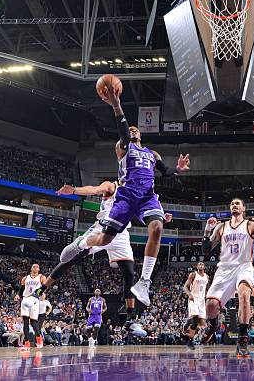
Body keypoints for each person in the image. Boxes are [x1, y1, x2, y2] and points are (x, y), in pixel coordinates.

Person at [57, 83, 190, 308]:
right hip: (126, 196)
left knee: (157, 228)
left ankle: (144, 282)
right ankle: (82, 243)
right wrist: (117, 105)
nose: (133, 130)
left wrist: (177, 168)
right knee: (105, 239)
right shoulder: (123, 148)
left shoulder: (152, 153)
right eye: (130, 129)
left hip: (147, 196)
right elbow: (122, 131)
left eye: (136, 129)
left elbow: (166, 172)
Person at [48, 177, 172, 337]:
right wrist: (74, 190)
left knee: (129, 273)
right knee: (73, 259)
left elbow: (142, 214)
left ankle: (130, 320)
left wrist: (160, 217)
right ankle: (43, 287)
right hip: (104, 227)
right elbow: (93, 189)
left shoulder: (134, 194)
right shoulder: (112, 185)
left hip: (121, 233)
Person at [200, 198, 254, 358]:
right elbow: (206, 250)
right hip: (224, 269)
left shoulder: (251, 225)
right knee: (210, 306)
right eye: (232, 203)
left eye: (237, 203)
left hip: (244, 266)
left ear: (243, 208)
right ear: (230, 208)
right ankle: (213, 325)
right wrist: (207, 231)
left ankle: (242, 339)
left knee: (244, 294)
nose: (234, 205)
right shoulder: (222, 227)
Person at [14, 264, 46, 350]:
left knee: (33, 322)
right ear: (31, 268)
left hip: (34, 299)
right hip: (25, 299)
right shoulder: (25, 278)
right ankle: (26, 343)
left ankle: (39, 339)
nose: (35, 268)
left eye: (37, 267)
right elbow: (22, 288)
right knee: (25, 321)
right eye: (33, 266)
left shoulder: (41, 277)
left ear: (39, 269)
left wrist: (38, 293)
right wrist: (18, 295)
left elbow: (44, 287)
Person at [183, 262, 209, 349]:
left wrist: (207, 298)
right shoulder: (193, 274)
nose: (201, 265)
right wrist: (189, 295)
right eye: (199, 264)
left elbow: (205, 289)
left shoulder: (207, 277)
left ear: (204, 267)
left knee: (201, 324)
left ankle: (188, 322)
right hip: (193, 299)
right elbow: (185, 287)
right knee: (195, 319)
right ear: (197, 267)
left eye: (202, 264)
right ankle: (190, 341)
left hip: (202, 300)